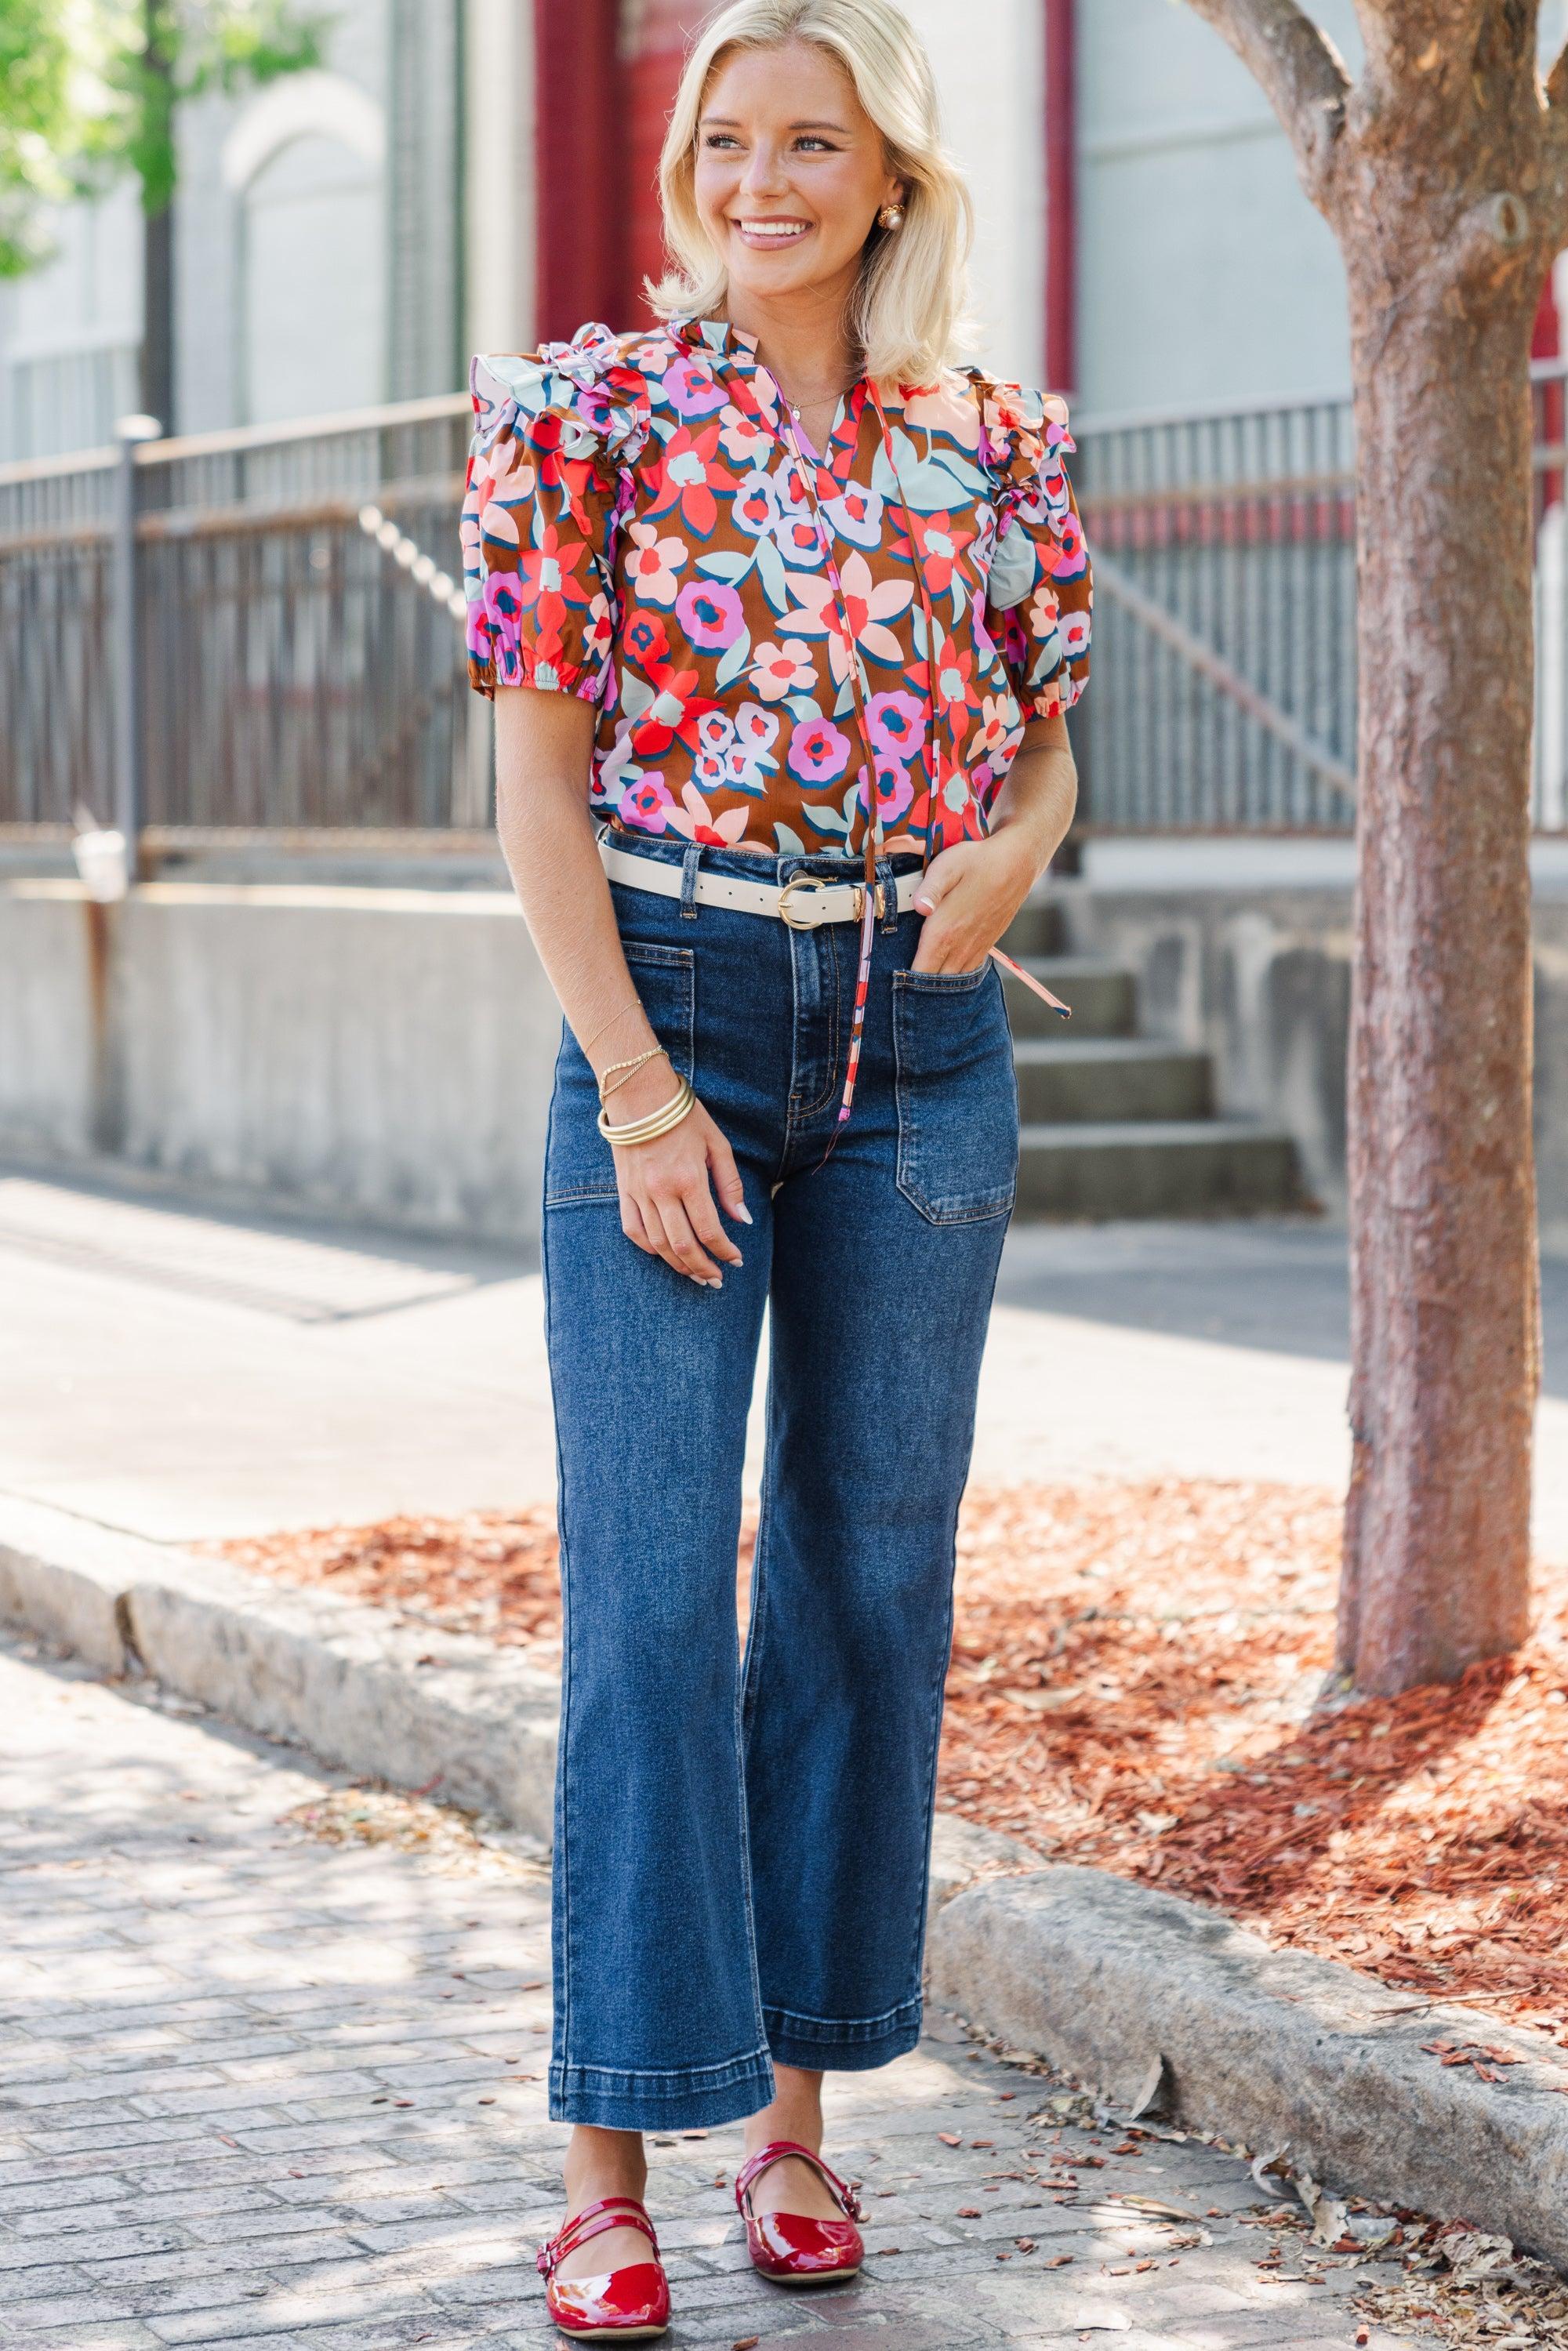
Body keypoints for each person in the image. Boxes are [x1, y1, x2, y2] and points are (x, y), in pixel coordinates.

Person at [459, 0, 1091, 2334]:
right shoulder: (583, 417)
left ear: (890, 177)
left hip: (916, 1049)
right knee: (645, 1596)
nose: (760, 177)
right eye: (728, 138)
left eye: (809, 141)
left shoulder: (989, 443)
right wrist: (633, 1089)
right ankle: (609, 2162)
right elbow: (537, 794)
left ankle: (795, 2145)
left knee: (859, 1585)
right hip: (674, 1019)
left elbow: (1036, 765)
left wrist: (1013, 866)